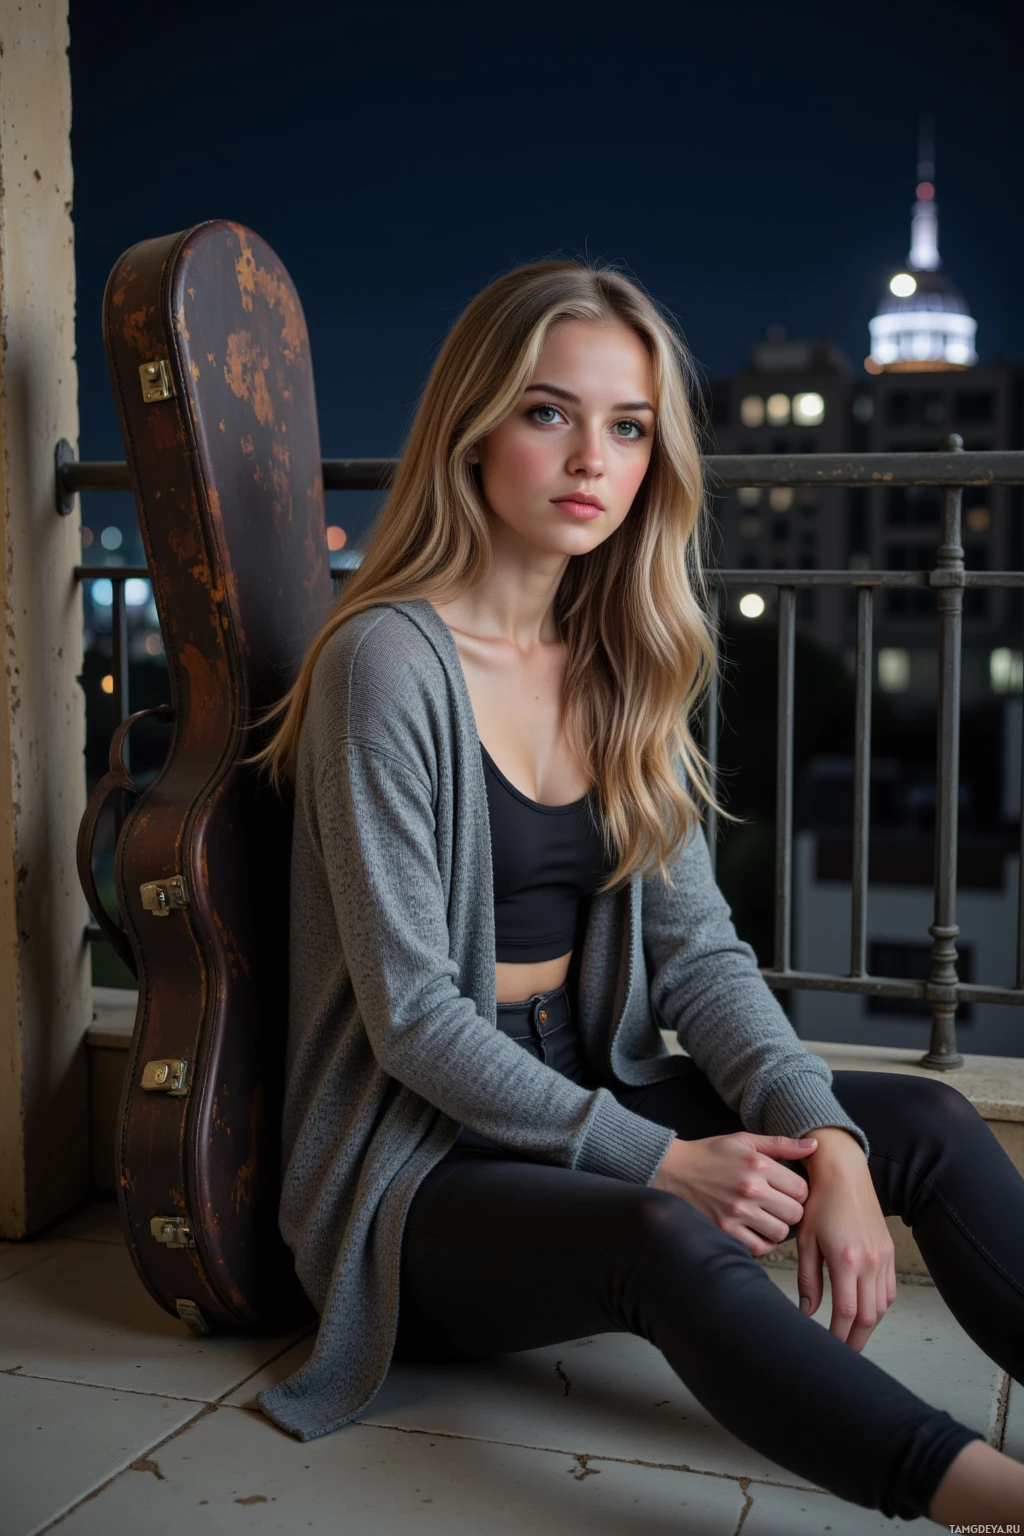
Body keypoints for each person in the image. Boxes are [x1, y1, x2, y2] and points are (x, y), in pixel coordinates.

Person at [242, 260, 1024, 1524]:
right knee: (667, 1235)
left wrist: (822, 1137)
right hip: (414, 1168)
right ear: (473, 428)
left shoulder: (621, 658)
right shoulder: (384, 662)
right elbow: (411, 1022)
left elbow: (701, 959)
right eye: (549, 412)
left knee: (916, 1122)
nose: (590, 459)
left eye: (628, 425)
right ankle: (989, 1501)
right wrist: (659, 1161)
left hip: (584, 1074)